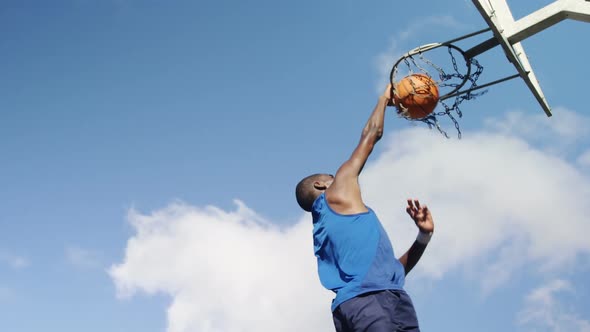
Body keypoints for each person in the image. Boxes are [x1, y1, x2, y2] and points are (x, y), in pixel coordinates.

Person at [295, 84, 435, 332]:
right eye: (332, 176)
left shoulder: (333, 229)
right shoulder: (335, 194)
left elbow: (392, 271)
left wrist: (423, 236)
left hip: (375, 299)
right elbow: (370, 136)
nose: (342, 178)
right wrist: (384, 99)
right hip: (369, 303)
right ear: (321, 184)